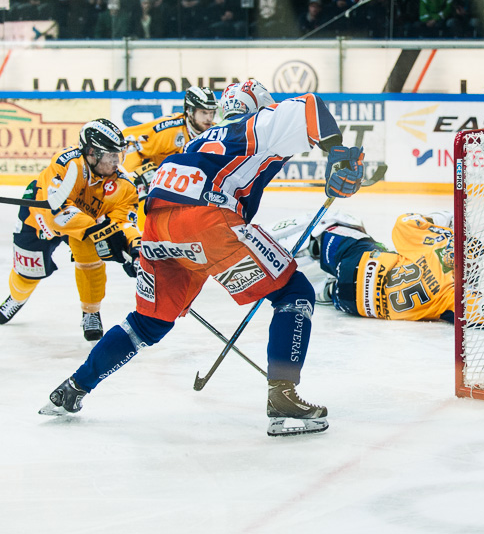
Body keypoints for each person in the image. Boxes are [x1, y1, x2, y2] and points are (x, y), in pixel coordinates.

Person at [38, 80, 366, 438]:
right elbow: (310, 106)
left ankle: (73, 389)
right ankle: (283, 398)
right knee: (295, 292)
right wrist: (338, 152)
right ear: (257, 106)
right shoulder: (255, 123)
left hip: (158, 228)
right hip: (207, 221)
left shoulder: (198, 139)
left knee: (148, 323)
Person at [0, 119, 141, 341]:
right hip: (40, 217)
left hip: (83, 223)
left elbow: (124, 222)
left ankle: (91, 312)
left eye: (119, 155)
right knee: (26, 274)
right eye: (110, 155)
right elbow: (55, 216)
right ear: (92, 152)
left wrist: (134, 247)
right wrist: (101, 230)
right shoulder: (67, 164)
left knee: (92, 259)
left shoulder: (124, 185)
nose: (117, 161)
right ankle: (17, 298)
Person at [270, 210, 455, 322]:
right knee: (341, 290)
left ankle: (270, 246)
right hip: (352, 303)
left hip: (358, 262)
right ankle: (327, 291)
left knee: (339, 220)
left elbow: (404, 222)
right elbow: (478, 315)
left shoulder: (435, 246)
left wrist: (442, 221)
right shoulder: (454, 295)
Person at [122, 86, 218, 228]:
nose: (209, 118)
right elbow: (128, 140)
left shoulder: (215, 133)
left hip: (181, 185)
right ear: (190, 111)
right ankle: (142, 237)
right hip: (157, 183)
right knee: (145, 184)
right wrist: (135, 174)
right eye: (203, 112)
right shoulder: (169, 130)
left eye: (212, 112)